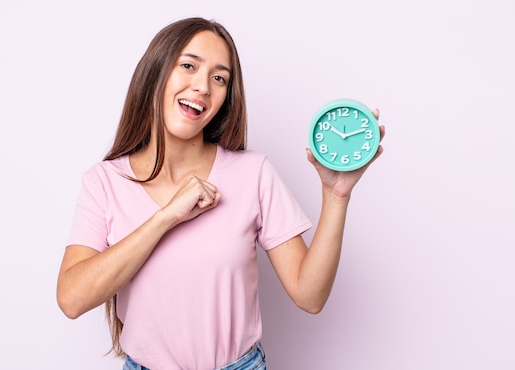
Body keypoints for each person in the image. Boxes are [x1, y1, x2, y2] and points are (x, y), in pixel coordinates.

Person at [56, 17, 384, 370]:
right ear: (156, 71)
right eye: (188, 66)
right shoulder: (104, 181)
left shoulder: (252, 172)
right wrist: (166, 217)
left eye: (219, 78)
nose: (202, 86)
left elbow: (310, 296)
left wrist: (336, 196)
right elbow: (72, 299)